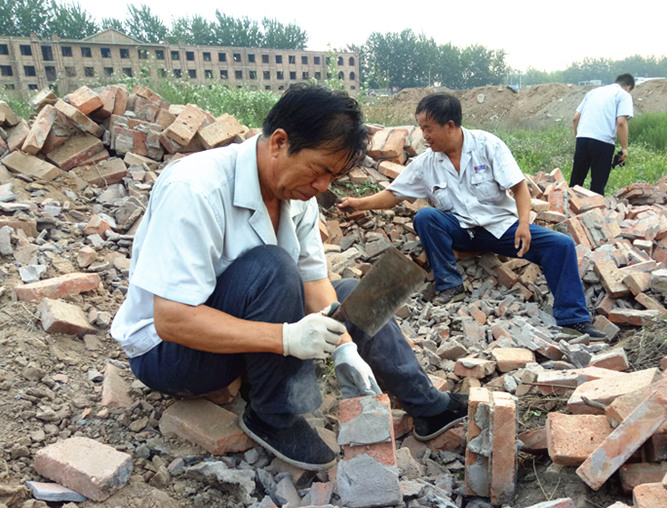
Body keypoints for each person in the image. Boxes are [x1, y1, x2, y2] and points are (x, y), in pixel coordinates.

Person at [110, 85, 466, 472]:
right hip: (170, 355)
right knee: (273, 266)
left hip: (238, 340)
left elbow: (314, 282)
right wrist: (286, 339)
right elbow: (172, 319)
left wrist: (345, 347)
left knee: (353, 294)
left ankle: (428, 407)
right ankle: (273, 414)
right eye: (319, 170)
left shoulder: (298, 197)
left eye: (333, 176)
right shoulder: (196, 188)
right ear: (279, 142)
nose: (323, 187)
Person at [339, 93, 606, 340]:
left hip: (500, 230)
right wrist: (359, 203)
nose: (424, 135)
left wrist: (524, 224)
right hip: (461, 233)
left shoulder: (488, 146)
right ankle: (450, 285)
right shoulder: (426, 163)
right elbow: (392, 195)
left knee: (560, 245)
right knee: (426, 217)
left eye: (427, 128)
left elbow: (519, 187)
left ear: (450, 125)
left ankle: (574, 319)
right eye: (421, 128)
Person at [569, 74, 635, 195]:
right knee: (597, 187)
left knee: (575, 183)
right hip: (603, 143)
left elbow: (575, 119)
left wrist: (579, 138)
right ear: (628, 87)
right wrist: (624, 148)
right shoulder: (623, 95)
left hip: (582, 139)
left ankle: (567, 209)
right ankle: (594, 212)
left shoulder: (592, 93)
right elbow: (621, 122)